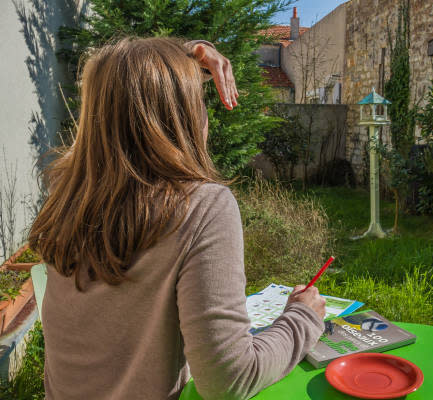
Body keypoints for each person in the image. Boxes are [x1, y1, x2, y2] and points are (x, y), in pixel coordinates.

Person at [28, 36, 326, 400]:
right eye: (198, 103)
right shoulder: (202, 208)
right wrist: (302, 318)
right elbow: (228, 380)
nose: (205, 118)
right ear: (180, 116)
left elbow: (122, 82)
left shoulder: (67, 194)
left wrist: (181, 55)